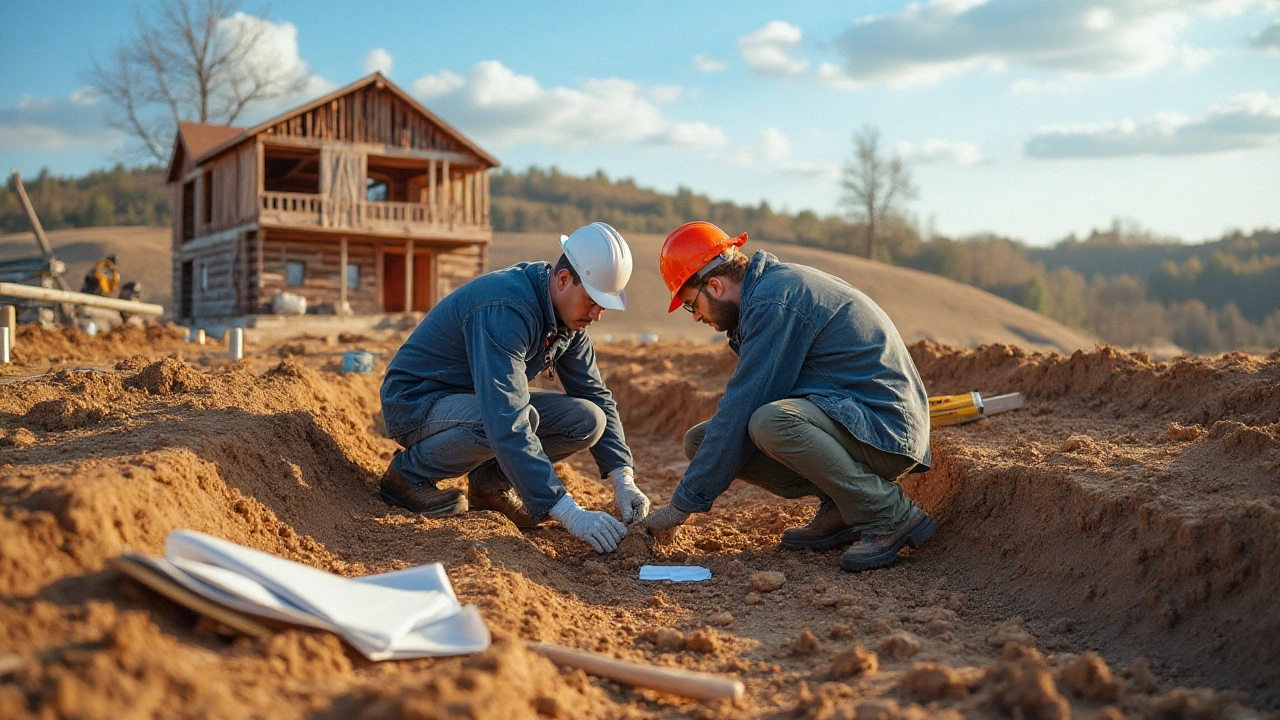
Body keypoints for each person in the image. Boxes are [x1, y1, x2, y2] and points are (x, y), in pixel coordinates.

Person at [641, 221, 934, 572]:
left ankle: (889, 514)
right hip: (859, 420)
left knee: (771, 422)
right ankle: (842, 506)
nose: (697, 317)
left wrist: (681, 505)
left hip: (886, 431)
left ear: (715, 285)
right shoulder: (770, 292)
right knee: (700, 440)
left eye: (692, 305)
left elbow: (742, 406)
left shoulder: (772, 301)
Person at [379, 222, 650, 553]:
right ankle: (406, 476)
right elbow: (505, 416)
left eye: (604, 305)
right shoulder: (506, 308)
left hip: (471, 399)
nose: (597, 315)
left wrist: (624, 479)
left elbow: (596, 394)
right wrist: (568, 512)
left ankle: (488, 487)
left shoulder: (568, 322)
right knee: (510, 418)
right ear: (564, 280)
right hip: (417, 402)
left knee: (588, 419)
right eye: (592, 300)